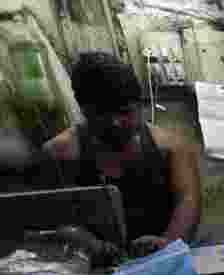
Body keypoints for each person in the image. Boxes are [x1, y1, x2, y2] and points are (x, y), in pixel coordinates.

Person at [41, 51, 202, 263]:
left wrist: (168, 243)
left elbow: (188, 200)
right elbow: (51, 219)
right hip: (88, 273)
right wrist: (87, 243)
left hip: (160, 265)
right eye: (103, 115)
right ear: (84, 110)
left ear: (139, 105)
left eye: (125, 112)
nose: (115, 122)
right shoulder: (60, 152)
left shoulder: (170, 147)